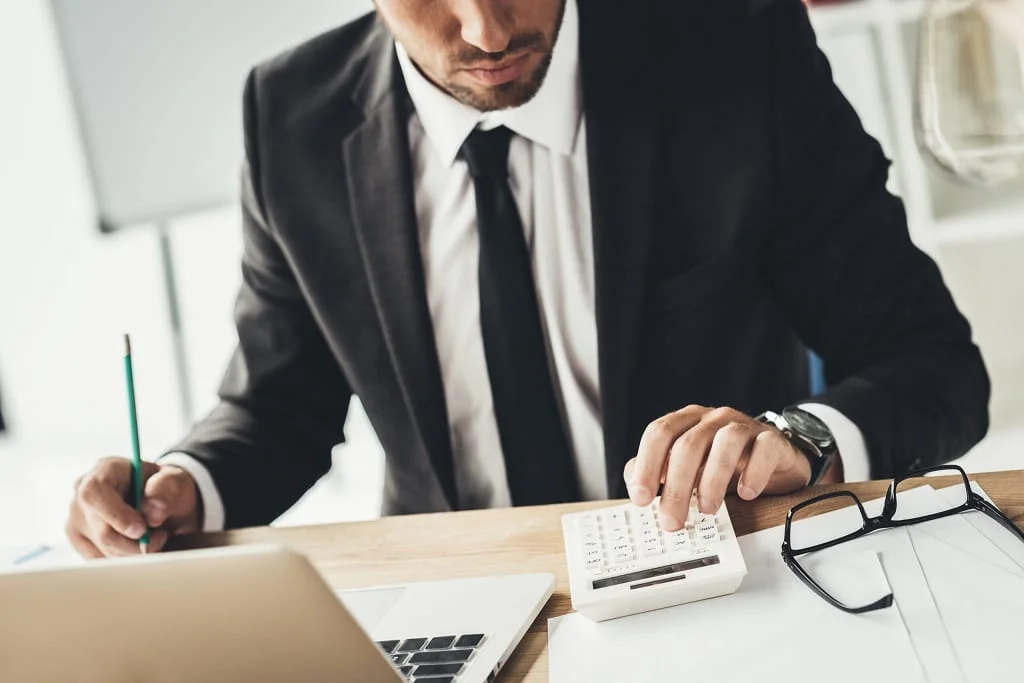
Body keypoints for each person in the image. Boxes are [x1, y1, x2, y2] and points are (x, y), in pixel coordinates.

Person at [66, 0, 989, 558]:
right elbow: (276, 406)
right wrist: (180, 483)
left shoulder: (737, 50)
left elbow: (936, 365)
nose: (488, 29)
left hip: (721, 576)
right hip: (455, 597)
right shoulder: (289, 119)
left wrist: (796, 439)